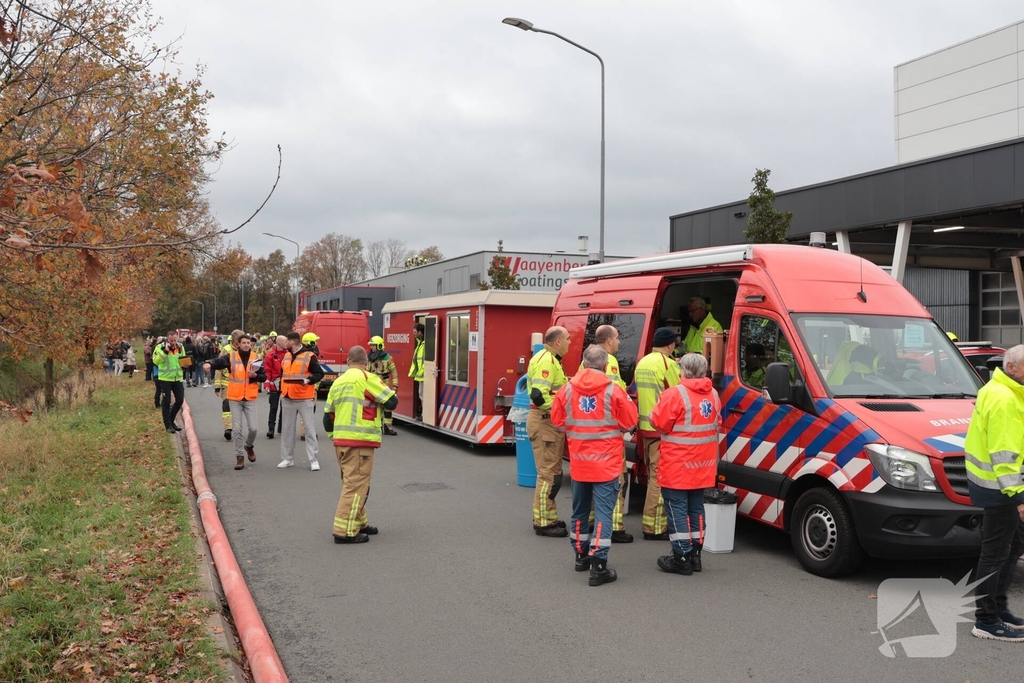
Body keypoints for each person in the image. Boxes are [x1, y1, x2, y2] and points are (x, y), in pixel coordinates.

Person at [553, 345, 639, 586]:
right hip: (607, 464)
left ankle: (581, 556)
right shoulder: (614, 390)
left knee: (579, 512)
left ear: (583, 363)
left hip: (580, 465)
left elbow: (558, 423)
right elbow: (630, 422)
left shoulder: (567, 389)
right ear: (604, 365)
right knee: (603, 514)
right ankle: (598, 565)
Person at [965, 344, 1024, 642]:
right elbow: (1005, 452)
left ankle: (998, 609)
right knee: (996, 552)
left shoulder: (1002, 389)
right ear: (1011, 367)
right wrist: (1018, 497)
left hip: (997, 484)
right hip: (1002, 488)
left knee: (1011, 547)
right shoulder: (1004, 398)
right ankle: (986, 620)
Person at [650, 352, 721, 575]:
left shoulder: (675, 393)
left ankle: (681, 557)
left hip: (678, 464)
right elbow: (716, 423)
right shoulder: (714, 394)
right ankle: (695, 556)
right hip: (703, 464)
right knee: (696, 508)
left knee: (677, 510)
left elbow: (658, 422)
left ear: (683, 371)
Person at [323, 345, 398, 544]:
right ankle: (344, 532)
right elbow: (392, 402)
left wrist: (334, 437)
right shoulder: (368, 379)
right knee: (355, 487)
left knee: (354, 483)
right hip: (360, 441)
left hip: (341, 442)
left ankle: (360, 523)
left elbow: (327, 417)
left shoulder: (338, 382)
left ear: (348, 362)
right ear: (366, 363)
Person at [579, 324, 633, 543]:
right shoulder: (608, 361)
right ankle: (614, 526)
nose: (620, 342)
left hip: (589, 431)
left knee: (592, 479)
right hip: (608, 431)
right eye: (618, 338)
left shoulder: (588, 359)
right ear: (609, 341)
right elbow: (613, 394)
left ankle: (593, 521)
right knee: (614, 479)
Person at [635, 327, 682, 540]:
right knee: (658, 478)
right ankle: (653, 527)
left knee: (652, 476)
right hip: (660, 429)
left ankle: (650, 524)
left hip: (644, 428)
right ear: (671, 345)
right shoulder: (668, 364)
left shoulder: (643, 362)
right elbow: (680, 391)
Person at [527, 325, 571, 537]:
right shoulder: (547, 361)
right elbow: (539, 396)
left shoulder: (547, 358)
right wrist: (561, 411)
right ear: (558, 342)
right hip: (545, 422)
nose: (570, 342)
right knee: (548, 475)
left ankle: (548, 516)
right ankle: (544, 523)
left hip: (545, 422)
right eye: (568, 339)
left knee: (552, 472)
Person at [204, 335, 266, 470]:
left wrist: (256, 376)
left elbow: (264, 376)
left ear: (251, 344)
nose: (246, 345)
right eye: (243, 343)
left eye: (248, 343)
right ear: (238, 344)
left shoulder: (256, 358)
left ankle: (249, 446)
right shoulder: (231, 357)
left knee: (253, 428)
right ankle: (239, 457)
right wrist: (209, 363)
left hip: (250, 398)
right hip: (235, 398)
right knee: (237, 429)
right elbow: (219, 362)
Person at [277, 331, 325, 471]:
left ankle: (313, 459)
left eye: (286, 341)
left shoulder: (309, 356)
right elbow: (283, 374)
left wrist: (308, 380)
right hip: (287, 397)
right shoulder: (286, 356)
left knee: (309, 430)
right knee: (287, 430)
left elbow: (319, 373)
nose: (284, 344)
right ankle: (287, 458)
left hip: (303, 397)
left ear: (292, 342)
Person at [152, 331, 186, 434]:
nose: (173, 342)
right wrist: (165, 352)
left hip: (177, 378)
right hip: (165, 379)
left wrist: (185, 365)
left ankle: (171, 420)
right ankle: (168, 425)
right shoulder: (160, 347)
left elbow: (182, 359)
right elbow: (156, 361)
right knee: (166, 402)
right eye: (171, 340)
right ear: (167, 339)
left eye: (175, 340)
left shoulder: (180, 347)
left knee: (179, 400)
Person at [214, 330, 244, 441]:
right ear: (236, 341)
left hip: (240, 384)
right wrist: (217, 385)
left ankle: (236, 427)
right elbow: (218, 367)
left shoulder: (244, 350)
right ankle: (228, 429)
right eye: (241, 341)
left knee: (239, 407)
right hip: (227, 383)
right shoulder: (226, 350)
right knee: (226, 406)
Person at [367, 335, 400, 436]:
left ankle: (387, 428)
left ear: (379, 346)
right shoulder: (369, 358)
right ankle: (377, 427)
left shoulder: (388, 358)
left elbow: (394, 373)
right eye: (371, 345)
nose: (371, 347)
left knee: (387, 406)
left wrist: (395, 386)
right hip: (372, 385)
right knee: (374, 406)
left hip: (384, 384)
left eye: (373, 345)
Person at [263, 335, 288, 439]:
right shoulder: (271, 355)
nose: (287, 343)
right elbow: (267, 371)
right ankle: (271, 429)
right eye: (285, 341)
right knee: (273, 407)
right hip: (275, 385)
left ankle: (281, 428)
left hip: (285, 384)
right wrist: (267, 384)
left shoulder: (288, 354)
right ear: (279, 343)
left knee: (284, 408)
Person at [408, 322, 425, 420]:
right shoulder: (420, 343)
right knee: (421, 395)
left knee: (423, 396)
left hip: (424, 375)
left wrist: (420, 372)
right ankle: (423, 414)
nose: (413, 334)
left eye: (415, 332)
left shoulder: (424, 344)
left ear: (420, 332)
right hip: (421, 375)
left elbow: (425, 361)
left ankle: (424, 415)